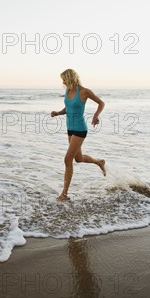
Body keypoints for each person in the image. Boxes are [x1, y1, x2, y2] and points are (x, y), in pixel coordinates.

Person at [51, 68, 106, 201]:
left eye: (64, 79)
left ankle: (64, 194)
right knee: (78, 158)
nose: (63, 82)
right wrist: (58, 113)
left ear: (70, 78)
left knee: (67, 160)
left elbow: (101, 103)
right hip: (70, 128)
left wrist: (96, 115)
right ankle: (99, 162)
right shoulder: (68, 91)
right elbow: (68, 108)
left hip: (80, 129)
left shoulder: (84, 91)